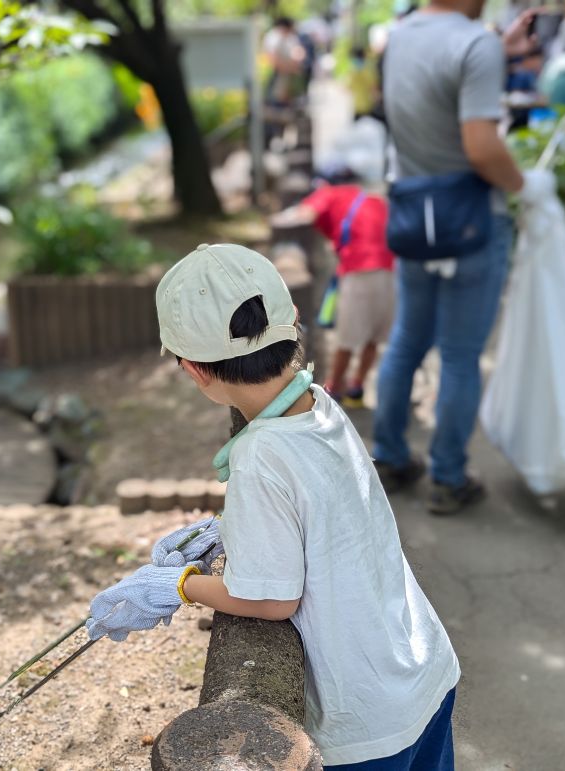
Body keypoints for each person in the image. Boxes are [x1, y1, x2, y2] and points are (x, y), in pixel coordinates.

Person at [87, 243, 461, 769]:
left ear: (193, 369)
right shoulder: (318, 404)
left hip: (371, 718)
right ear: (294, 321)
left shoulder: (259, 456)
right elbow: (319, 512)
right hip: (424, 666)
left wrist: (175, 586)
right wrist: (229, 530)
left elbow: (270, 599)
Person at [373, 0, 547, 514]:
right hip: (472, 220)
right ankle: (448, 479)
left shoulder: (400, 36)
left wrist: (498, 48)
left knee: (407, 341)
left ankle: (389, 458)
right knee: (459, 354)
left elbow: (436, 76)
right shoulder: (476, 44)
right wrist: (526, 186)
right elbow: (482, 149)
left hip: (413, 216)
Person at [273, 181, 395, 407]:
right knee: (373, 336)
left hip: (359, 269)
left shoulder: (328, 194)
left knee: (347, 338)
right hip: (390, 270)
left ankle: (333, 390)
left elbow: (305, 213)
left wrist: (277, 219)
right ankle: (356, 388)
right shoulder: (370, 198)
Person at [263, 16, 306, 107]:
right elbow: (272, 58)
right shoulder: (273, 37)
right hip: (277, 72)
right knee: (275, 98)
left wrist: (297, 61)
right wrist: (288, 68)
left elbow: (297, 49)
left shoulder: (290, 36)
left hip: (288, 73)